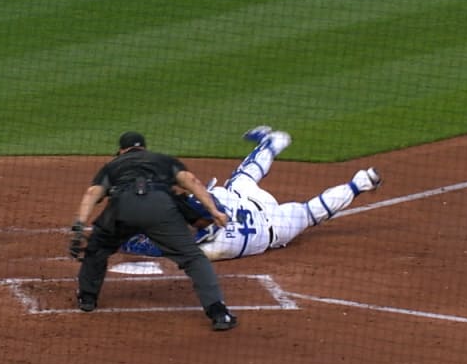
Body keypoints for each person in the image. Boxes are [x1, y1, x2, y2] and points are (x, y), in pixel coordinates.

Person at [121, 126, 382, 261]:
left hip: (274, 229)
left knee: (309, 213)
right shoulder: (200, 213)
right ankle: (274, 142)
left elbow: (163, 245)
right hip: (248, 205)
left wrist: (126, 241)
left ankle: (360, 183)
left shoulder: (204, 247)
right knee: (244, 176)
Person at [69, 131, 239, 331]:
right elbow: (191, 181)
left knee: (97, 249)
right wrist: (214, 211)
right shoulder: (164, 160)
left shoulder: (112, 165)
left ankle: (87, 299)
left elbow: (92, 193)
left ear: (121, 150)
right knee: (194, 258)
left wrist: (80, 223)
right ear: (144, 148)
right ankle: (219, 313)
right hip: (161, 209)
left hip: (123, 208)